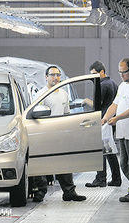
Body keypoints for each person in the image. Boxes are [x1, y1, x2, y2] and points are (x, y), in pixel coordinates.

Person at [30, 66, 86, 202]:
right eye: (52, 75)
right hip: (45, 135)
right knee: (42, 165)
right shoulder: (41, 95)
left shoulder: (64, 94)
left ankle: (69, 192)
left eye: (58, 75)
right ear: (46, 77)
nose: (56, 78)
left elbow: (66, 114)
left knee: (64, 163)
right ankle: (40, 192)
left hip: (61, 136)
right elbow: (35, 114)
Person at [102, 58, 129, 202]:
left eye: (124, 72)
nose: (121, 75)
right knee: (125, 163)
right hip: (123, 131)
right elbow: (114, 105)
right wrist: (105, 117)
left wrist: (116, 119)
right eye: (119, 72)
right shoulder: (122, 86)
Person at [84, 61, 122, 188]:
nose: (92, 78)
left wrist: (85, 101)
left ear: (101, 72)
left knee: (102, 150)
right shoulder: (113, 84)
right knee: (109, 150)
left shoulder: (102, 85)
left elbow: (97, 105)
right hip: (111, 121)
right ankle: (116, 178)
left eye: (94, 74)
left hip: (104, 122)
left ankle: (101, 179)